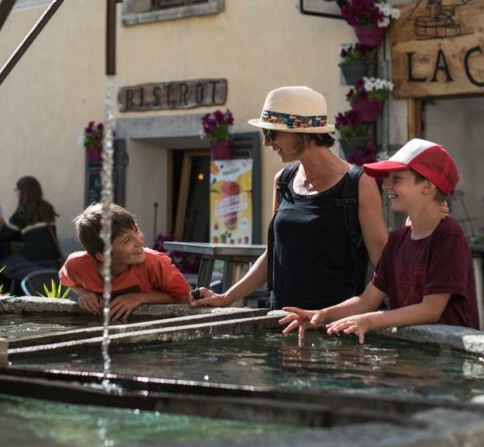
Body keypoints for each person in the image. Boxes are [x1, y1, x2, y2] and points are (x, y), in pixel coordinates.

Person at [191, 86, 388, 310]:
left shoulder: (359, 183)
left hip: (335, 329)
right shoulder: (283, 180)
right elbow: (272, 254)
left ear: (300, 132)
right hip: (281, 320)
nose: (266, 142)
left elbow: (384, 264)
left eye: (271, 133)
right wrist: (226, 297)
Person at [280, 138, 480, 343]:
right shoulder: (397, 240)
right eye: (386, 178)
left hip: (447, 360)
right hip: (412, 355)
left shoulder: (448, 238)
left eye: (397, 179)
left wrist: (370, 321)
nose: (385, 185)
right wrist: (321, 315)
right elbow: (367, 300)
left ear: (427, 186)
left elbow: (431, 310)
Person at [60, 203, 190, 321]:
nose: (139, 241)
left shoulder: (155, 263)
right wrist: (86, 294)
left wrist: (140, 298)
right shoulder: (77, 265)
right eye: (127, 240)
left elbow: (185, 297)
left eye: (137, 230)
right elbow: (66, 280)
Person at [0, 176, 63, 293]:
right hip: (52, 260)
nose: (16, 193)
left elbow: (4, 231)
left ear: (22, 192)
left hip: (32, 260)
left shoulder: (23, 209)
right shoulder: (47, 207)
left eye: (17, 190)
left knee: (3, 266)